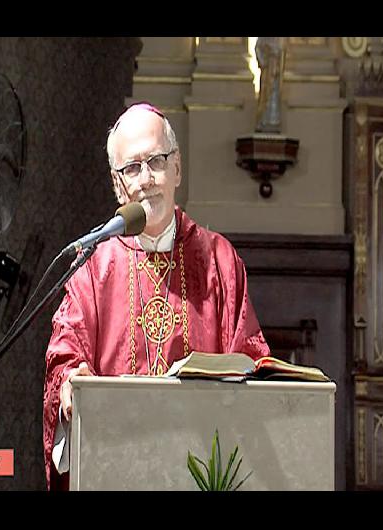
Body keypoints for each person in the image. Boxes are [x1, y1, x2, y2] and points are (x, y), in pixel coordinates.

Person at [43, 102, 271, 491]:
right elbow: (66, 355)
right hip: (116, 471)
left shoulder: (218, 261)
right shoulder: (94, 267)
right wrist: (69, 383)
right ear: (118, 184)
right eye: (132, 168)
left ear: (177, 168)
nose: (146, 179)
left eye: (157, 162)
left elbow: (249, 356)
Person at [255, 37, 287, 133]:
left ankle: (273, 120)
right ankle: (263, 120)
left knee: (274, 94)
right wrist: (263, 61)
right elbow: (257, 49)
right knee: (265, 94)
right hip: (267, 71)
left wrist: (277, 56)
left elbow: (282, 51)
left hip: (276, 70)